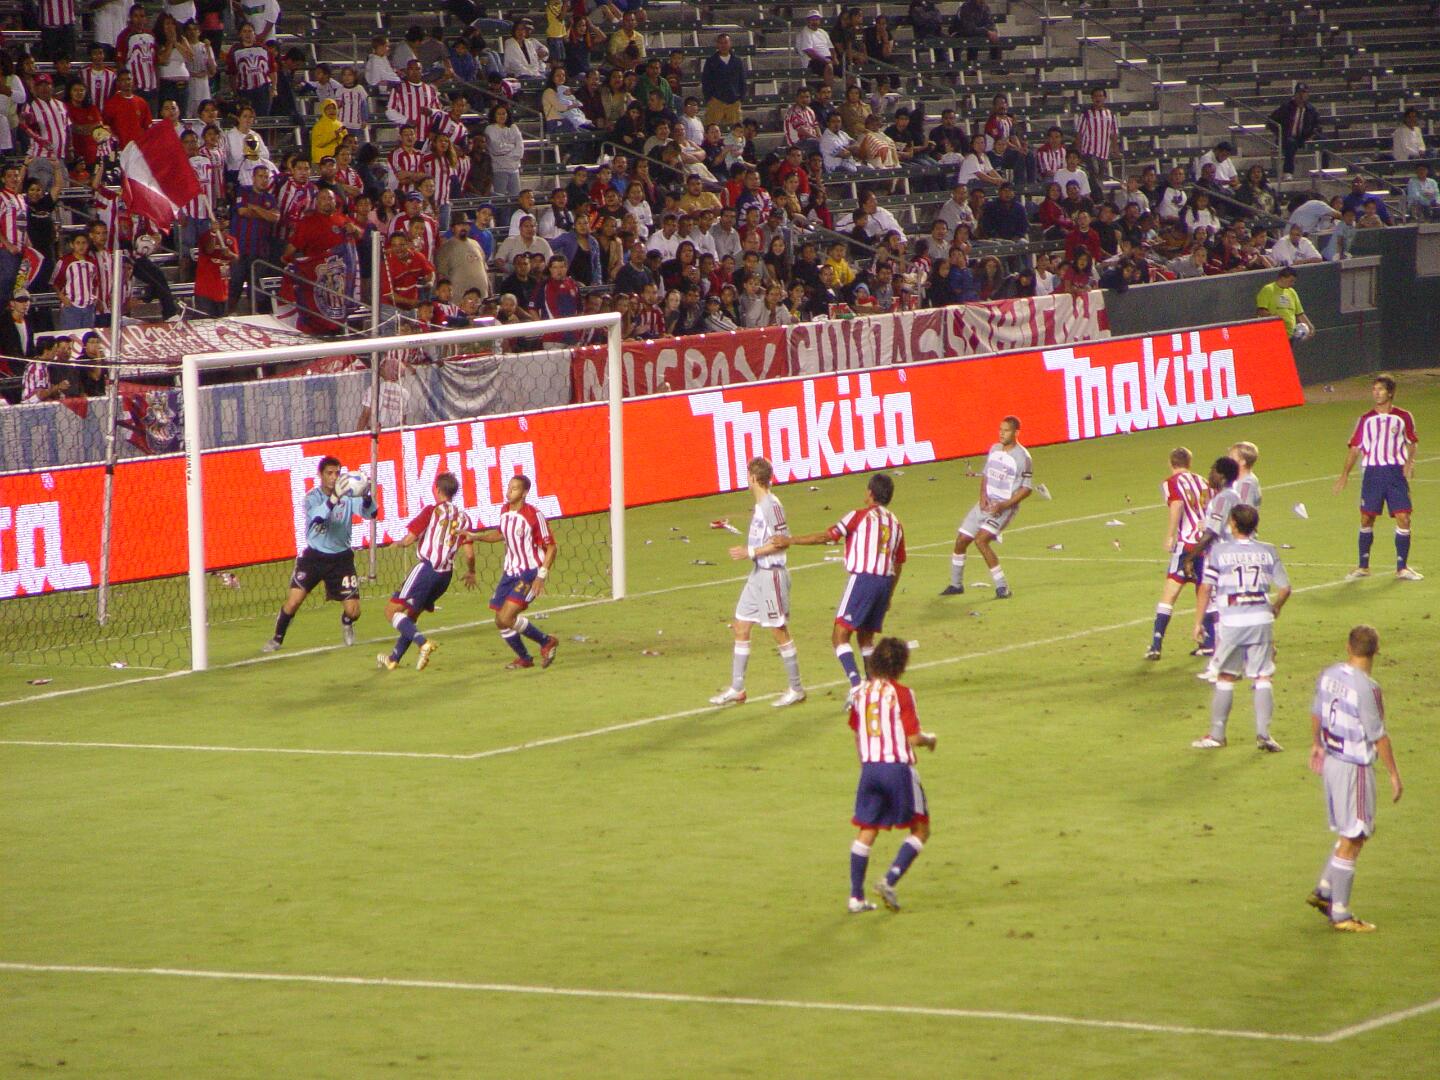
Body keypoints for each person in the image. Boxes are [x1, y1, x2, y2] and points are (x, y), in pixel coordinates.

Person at [1305, 625, 1404, 932]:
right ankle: (1341, 914)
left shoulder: (1329, 674)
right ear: (1376, 651)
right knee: (1355, 836)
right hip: (1354, 769)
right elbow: (1378, 735)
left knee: (1349, 832)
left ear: (1348, 647)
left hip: (1332, 763)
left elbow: (1317, 713)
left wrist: (1316, 744)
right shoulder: (1368, 688)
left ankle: (1324, 890)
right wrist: (1393, 774)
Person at [789, 473, 905, 699]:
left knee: (840, 635)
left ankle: (856, 686)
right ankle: (873, 685)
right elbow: (898, 563)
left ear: (870, 493)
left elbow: (827, 537)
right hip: (884, 583)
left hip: (863, 579)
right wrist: (889, 594)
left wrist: (791, 540)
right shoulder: (896, 523)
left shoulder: (858, 516)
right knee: (865, 638)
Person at [844, 636, 936, 915]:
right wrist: (930, 739)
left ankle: (856, 897)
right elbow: (913, 737)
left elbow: (856, 731)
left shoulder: (859, 694)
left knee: (867, 829)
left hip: (870, 769)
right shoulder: (902, 694)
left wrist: (866, 762)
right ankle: (889, 880)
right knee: (920, 829)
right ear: (901, 665)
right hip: (897, 769)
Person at [707, 457, 806, 708]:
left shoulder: (772, 506)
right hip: (757, 574)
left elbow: (782, 541)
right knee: (741, 625)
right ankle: (737, 688)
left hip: (772, 575)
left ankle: (796, 689)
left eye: (747, 475)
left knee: (778, 631)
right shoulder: (760, 505)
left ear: (752, 478)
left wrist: (750, 552)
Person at [1190, 505, 1290, 752]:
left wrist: (1198, 622)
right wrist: (1275, 607)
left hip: (1233, 622)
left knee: (1225, 677)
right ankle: (1264, 734)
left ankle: (1217, 735)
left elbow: (1206, 588)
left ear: (1233, 524)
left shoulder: (1219, 551)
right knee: (1263, 676)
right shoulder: (1268, 550)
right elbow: (1285, 588)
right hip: (1261, 620)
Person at [262, 456, 377, 652]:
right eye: (329, 473)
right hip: (313, 558)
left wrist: (366, 497)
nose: (334, 477)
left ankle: (347, 621)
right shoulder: (311, 498)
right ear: (320, 475)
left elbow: (371, 514)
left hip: (341, 559)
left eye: (337, 473)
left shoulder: (349, 496)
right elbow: (317, 517)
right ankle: (277, 639)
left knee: (354, 611)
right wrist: (334, 498)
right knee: (294, 602)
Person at [377, 472, 475, 672]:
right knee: (411, 616)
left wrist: (397, 544)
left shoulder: (432, 511)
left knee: (391, 611)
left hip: (426, 569)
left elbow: (409, 539)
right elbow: (470, 554)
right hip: (445, 576)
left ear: (437, 489)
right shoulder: (465, 518)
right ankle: (394, 658)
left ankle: (423, 643)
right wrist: (471, 572)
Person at [467, 474, 561, 670]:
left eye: (515, 488)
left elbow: (551, 547)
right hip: (510, 572)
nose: (509, 491)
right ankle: (525, 658)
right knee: (500, 620)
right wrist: (476, 537)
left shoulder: (533, 515)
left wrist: (541, 576)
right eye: (509, 487)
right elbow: (499, 534)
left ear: (524, 493)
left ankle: (546, 641)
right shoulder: (504, 510)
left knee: (506, 617)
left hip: (529, 572)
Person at [1334, 374, 1421, 581]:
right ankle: (1363, 566)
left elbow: (1411, 441)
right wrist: (1344, 475)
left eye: (1380, 389)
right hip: (1373, 474)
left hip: (1395, 473)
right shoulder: (1366, 419)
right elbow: (1355, 449)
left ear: (1390, 392)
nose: (1376, 393)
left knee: (1404, 517)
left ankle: (1402, 568)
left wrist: (1409, 463)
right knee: (1367, 518)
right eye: (1374, 389)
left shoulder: (1403, 417)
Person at [941, 415, 1032, 599]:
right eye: (1000, 430)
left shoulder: (1023, 457)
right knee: (961, 540)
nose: (1001, 434)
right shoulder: (995, 449)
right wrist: (982, 496)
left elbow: (1027, 488)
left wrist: (1004, 505)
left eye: (1006, 431)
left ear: (1016, 433)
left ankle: (1002, 587)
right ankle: (956, 585)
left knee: (981, 541)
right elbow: (986, 474)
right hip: (984, 504)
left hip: (1004, 508)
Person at [1145, 447, 1211, 660]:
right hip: (1207, 544)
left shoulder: (1170, 483)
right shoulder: (1203, 481)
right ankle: (1207, 643)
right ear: (1189, 462)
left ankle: (1156, 645)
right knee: (1204, 593)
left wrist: (1170, 535)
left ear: (1170, 463)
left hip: (1187, 547)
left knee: (1170, 594)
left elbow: (1177, 504)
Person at [1182, 456, 1242, 658]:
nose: (1209, 474)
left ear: (1222, 475)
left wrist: (1190, 557)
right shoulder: (1232, 496)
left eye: (1213, 470)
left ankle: (1221, 654)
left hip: (1221, 558)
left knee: (1218, 605)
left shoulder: (1222, 499)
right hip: (1231, 556)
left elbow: (1211, 533)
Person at [1269, 82, 1319, 179]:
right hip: (1287, 137)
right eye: (1299, 93)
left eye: (1304, 93)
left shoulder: (1311, 110)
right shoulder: (1286, 107)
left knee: (1323, 141)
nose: (1301, 96)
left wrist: (1312, 136)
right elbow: (1271, 121)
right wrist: (1279, 133)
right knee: (1291, 143)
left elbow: (1317, 125)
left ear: (1307, 95)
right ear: (1295, 94)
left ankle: (1324, 171)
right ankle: (1288, 172)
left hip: (1304, 137)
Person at [1255, 266, 1315, 341]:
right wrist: (1275, 318)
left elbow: (1300, 313)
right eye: (1291, 281)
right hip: (1272, 334)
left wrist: (1310, 326)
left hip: (1289, 336)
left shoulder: (1292, 292)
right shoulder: (1268, 289)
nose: (1292, 284)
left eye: (1294, 281)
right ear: (1282, 278)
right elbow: (1261, 311)